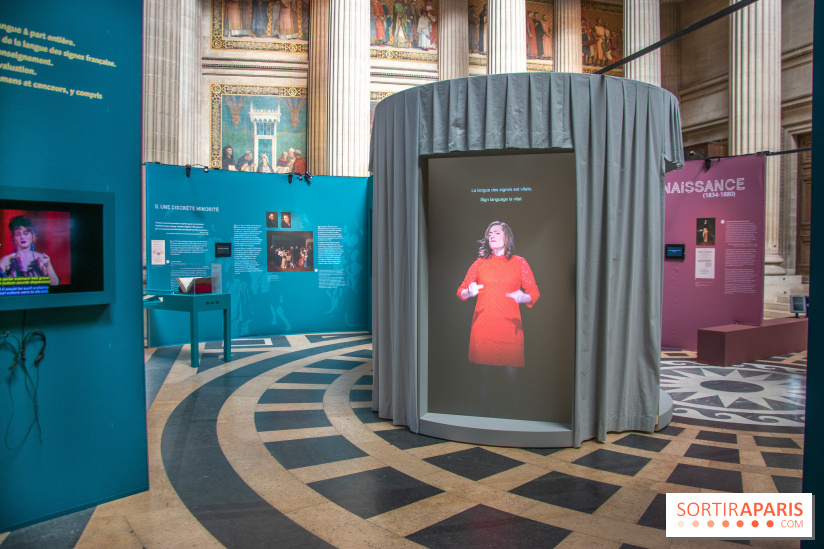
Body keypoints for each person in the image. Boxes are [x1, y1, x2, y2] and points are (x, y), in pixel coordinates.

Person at [457, 221, 539, 368]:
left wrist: (524, 297)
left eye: (497, 233)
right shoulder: (479, 264)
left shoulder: (519, 263)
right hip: (483, 331)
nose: (492, 236)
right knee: (484, 382)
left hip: (510, 331)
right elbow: (461, 291)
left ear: (506, 237)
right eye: (490, 234)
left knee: (511, 380)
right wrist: (469, 292)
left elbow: (534, 292)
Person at [0, 216, 60, 285]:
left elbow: (55, 285)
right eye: (18, 234)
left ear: (33, 236)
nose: (22, 237)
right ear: (13, 238)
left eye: (26, 233)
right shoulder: (6, 261)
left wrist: (48, 265)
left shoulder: (41, 259)